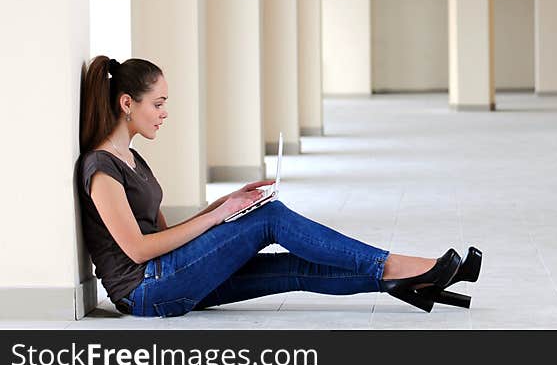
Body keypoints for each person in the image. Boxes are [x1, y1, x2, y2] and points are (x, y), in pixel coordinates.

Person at [76, 55, 481, 318]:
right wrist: (219, 216)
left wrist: (225, 202)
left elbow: (162, 235)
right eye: (158, 104)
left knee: (293, 269)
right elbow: (138, 250)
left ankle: (412, 282)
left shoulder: (134, 159)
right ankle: (397, 265)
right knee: (270, 217)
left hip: (169, 276)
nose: (165, 113)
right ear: (127, 103)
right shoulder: (101, 168)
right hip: (146, 290)